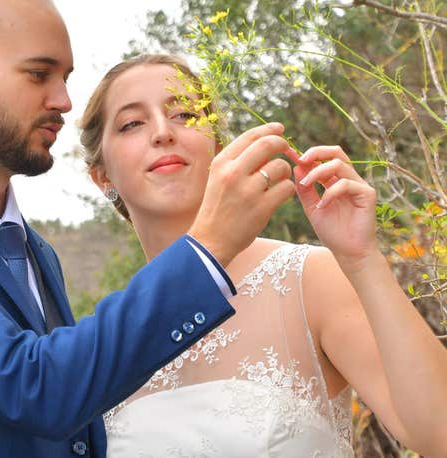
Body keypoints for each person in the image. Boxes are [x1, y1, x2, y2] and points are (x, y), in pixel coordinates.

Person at [0, 2, 298, 457]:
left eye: (65, 78)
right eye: (38, 74)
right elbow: (38, 388)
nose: (63, 101)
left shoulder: (34, 249)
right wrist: (208, 247)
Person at [79, 54, 447, 457]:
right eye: (132, 123)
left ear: (219, 150)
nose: (163, 132)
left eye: (184, 114)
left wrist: (363, 261)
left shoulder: (308, 280)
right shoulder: (105, 344)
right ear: (103, 177)